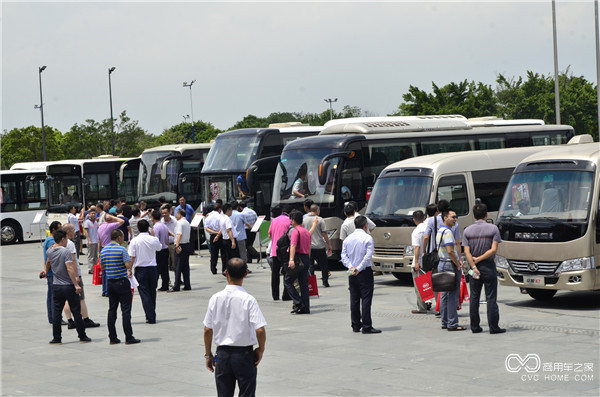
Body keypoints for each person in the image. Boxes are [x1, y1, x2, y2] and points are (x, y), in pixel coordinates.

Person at [203, 258, 267, 397]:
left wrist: (208, 354)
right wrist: (260, 349)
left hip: (223, 354)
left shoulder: (215, 298)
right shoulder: (249, 299)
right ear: (245, 274)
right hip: (244, 355)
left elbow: (208, 329)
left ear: (226, 273)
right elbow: (260, 330)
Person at [463, 204, 506, 334]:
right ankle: (494, 327)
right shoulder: (493, 229)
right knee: (491, 297)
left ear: (474, 216)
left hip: (474, 268)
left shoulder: (467, 231)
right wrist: (480, 258)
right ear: (486, 215)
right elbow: (493, 250)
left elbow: (466, 252)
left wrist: (474, 265)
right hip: (488, 266)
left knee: (474, 297)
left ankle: (475, 327)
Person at [43, 230, 91, 344]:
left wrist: (45, 271)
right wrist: (76, 284)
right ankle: (82, 336)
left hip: (56, 286)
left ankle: (57, 338)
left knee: (57, 312)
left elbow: (48, 262)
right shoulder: (65, 252)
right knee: (76, 312)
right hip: (68, 285)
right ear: (63, 239)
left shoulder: (50, 251)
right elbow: (69, 268)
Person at [341, 216, 381, 334]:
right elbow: (368, 256)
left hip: (351, 270)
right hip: (364, 270)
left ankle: (355, 325)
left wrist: (351, 267)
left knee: (354, 298)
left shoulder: (348, 239)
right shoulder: (367, 238)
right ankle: (367, 325)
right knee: (366, 298)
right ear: (365, 226)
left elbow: (343, 256)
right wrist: (359, 268)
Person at [101, 229, 140, 344]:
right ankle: (129, 337)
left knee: (112, 310)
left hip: (110, 283)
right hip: (122, 282)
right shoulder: (122, 249)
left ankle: (112, 337)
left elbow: (102, 267)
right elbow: (128, 265)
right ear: (118, 237)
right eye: (122, 237)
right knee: (126, 310)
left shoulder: (104, 250)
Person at [62, 224, 100, 329]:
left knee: (67, 299)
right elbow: (73, 261)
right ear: (68, 231)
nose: (75, 231)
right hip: (74, 274)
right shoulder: (70, 244)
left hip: (64, 274)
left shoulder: (61, 243)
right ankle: (86, 319)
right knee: (81, 298)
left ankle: (70, 320)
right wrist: (76, 276)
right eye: (73, 230)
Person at [437, 209, 465, 331]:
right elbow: (450, 251)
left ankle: (445, 321)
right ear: (445, 218)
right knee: (453, 295)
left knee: (444, 294)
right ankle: (452, 323)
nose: (455, 219)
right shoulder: (447, 232)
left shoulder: (440, 231)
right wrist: (457, 264)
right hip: (449, 264)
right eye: (452, 217)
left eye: (455, 217)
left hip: (441, 264)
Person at [129, 219, 162, 323]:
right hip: (152, 268)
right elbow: (159, 248)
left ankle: (150, 316)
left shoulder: (135, 240)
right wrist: (153, 235)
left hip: (140, 269)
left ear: (138, 228)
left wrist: (129, 269)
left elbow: (132, 257)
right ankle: (151, 314)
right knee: (152, 292)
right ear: (148, 227)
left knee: (144, 293)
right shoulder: (153, 239)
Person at [284, 210, 312, 314]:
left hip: (297, 258)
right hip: (305, 258)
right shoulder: (306, 232)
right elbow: (309, 247)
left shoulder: (296, 231)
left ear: (294, 220)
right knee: (304, 284)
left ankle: (299, 302)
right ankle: (306, 307)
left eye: (291, 219)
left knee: (288, 281)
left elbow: (293, 245)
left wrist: (291, 259)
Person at [302, 204, 332, 287]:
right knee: (324, 265)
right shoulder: (320, 219)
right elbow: (324, 233)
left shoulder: (304, 219)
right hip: (319, 246)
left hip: (309, 247)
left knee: (310, 266)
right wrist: (329, 244)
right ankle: (325, 281)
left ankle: (312, 283)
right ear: (317, 210)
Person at [42, 221, 64, 325]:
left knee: (51, 295)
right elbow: (50, 259)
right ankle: (56, 318)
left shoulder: (48, 240)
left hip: (50, 272)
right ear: (54, 230)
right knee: (54, 297)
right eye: (59, 228)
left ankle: (52, 318)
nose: (61, 230)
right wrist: (47, 270)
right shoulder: (51, 241)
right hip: (53, 272)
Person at [98, 214, 125, 297]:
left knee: (105, 272)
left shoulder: (100, 227)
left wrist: (99, 252)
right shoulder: (109, 226)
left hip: (103, 249)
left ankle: (104, 290)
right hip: (110, 248)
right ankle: (108, 291)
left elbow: (99, 241)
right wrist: (113, 217)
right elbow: (122, 221)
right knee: (110, 272)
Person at [268, 206, 291, 301]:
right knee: (287, 273)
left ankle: (275, 295)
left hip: (274, 251)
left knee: (275, 273)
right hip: (285, 251)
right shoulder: (290, 220)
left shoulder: (274, 220)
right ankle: (286, 295)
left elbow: (269, 234)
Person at [410, 209, 431, 314]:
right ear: (424, 217)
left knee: (419, 286)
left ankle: (422, 307)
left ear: (414, 220)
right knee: (429, 283)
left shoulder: (416, 231)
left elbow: (417, 248)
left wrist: (416, 262)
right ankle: (432, 303)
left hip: (419, 262)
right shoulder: (429, 228)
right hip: (430, 260)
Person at [170, 209, 192, 291]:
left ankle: (177, 285)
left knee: (178, 266)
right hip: (186, 244)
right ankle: (187, 284)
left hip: (180, 245)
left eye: (176, 214)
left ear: (179, 214)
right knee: (185, 266)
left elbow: (179, 234)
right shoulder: (187, 222)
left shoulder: (179, 223)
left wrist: (177, 245)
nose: (176, 216)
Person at [151, 210, 170, 291]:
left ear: (152, 218)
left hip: (159, 250)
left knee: (157, 269)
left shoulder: (155, 227)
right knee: (165, 269)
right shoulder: (164, 226)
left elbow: (156, 240)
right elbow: (168, 239)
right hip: (165, 249)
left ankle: (154, 285)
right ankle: (165, 284)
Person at [219, 203, 238, 274]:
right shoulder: (227, 219)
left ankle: (226, 270)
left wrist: (218, 236)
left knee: (227, 256)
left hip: (224, 239)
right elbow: (229, 230)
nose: (231, 212)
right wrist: (233, 241)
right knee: (233, 256)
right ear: (227, 210)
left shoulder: (222, 218)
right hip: (229, 240)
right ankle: (233, 271)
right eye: (231, 210)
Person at [205, 203, 223, 275]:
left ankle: (213, 269)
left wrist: (214, 233)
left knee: (213, 253)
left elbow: (206, 228)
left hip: (212, 235)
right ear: (219, 209)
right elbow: (222, 227)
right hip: (221, 235)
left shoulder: (208, 217)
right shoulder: (221, 216)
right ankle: (224, 268)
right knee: (223, 253)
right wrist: (218, 233)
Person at [161, 205, 177, 271]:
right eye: (163, 213)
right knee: (165, 264)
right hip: (165, 245)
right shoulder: (161, 221)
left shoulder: (174, 220)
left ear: (169, 212)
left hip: (173, 243)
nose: (164, 215)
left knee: (175, 263)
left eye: (165, 213)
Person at [83, 209, 99, 275]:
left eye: (94, 213)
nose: (93, 215)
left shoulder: (96, 222)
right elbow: (86, 231)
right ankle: (90, 269)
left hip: (96, 241)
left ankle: (95, 268)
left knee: (95, 256)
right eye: (92, 213)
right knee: (91, 256)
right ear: (89, 214)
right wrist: (89, 240)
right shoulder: (87, 222)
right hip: (91, 241)